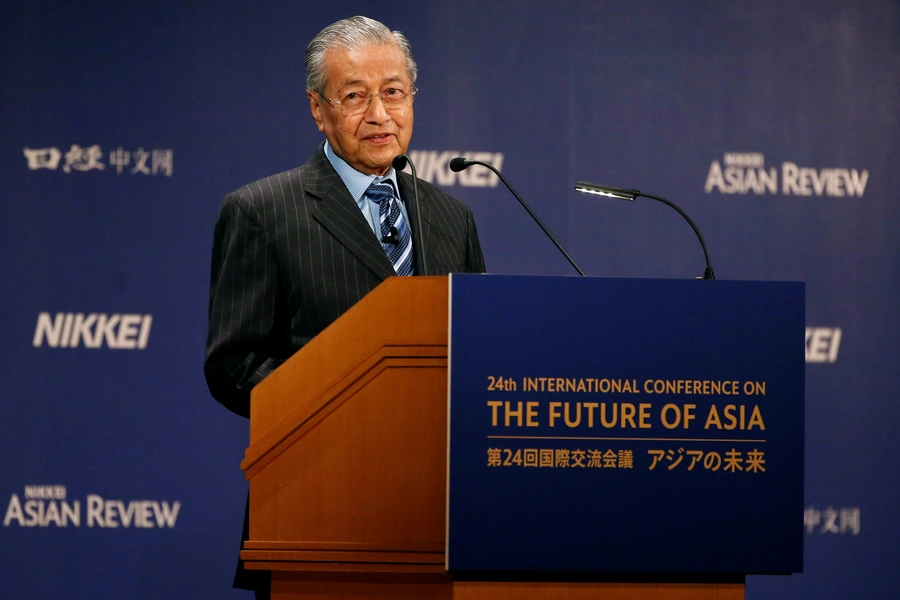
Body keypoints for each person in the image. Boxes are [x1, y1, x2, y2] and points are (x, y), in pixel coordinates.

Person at [204, 15, 486, 597]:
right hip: (319, 505)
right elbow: (234, 365)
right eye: (355, 96)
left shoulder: (450, 217)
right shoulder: (263, 211)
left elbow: (479, 349)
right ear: (318, 108)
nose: (379, 114)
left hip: (442, 516)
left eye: (393, 93)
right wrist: (347, 415)